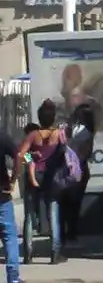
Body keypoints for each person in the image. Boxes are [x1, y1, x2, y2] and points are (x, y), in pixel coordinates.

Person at [18, 99, 67, 264]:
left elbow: (21, 154)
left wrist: (31, 156)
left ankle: (28, 254)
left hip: (34, 176)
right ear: (53, 118)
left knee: (30, 215)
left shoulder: (33, 135)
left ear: (39, 118)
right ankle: (55, 253)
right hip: (51, 177)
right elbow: (65, 153)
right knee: (53, 214)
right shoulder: (59, 134)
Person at [60, 102, 95, 242]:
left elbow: (85, 152)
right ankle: (64, 233)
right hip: (68, 170)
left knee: (73, 204)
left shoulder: (86, 133)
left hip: (77, 170)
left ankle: (70, 232)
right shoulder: (69, 129)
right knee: (66, 203)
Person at [0, 121, 22, 283]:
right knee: (9, 236)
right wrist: (14, 178)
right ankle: (13, 277)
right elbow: (20, 154)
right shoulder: (2, 136)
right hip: (2, 193)